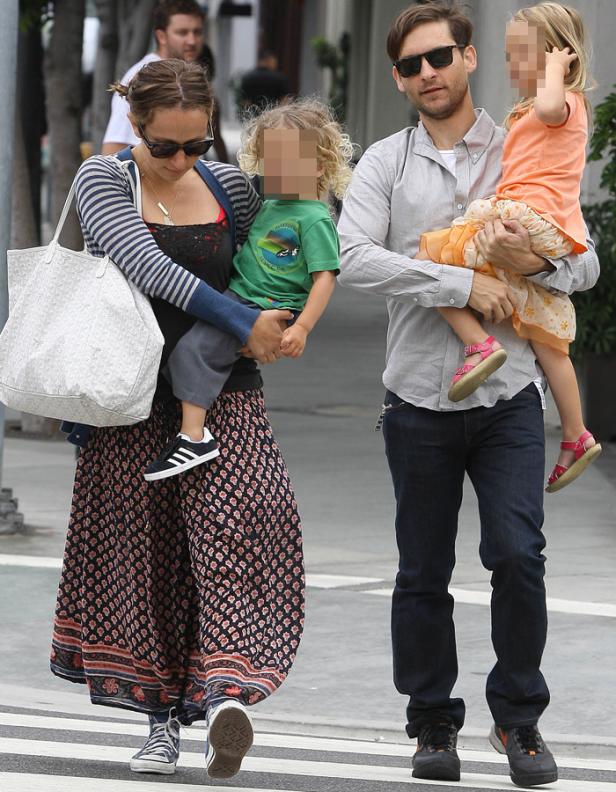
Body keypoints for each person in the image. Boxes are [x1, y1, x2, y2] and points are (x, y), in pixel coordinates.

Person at [337, 1, 599, 787]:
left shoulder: (527, 136)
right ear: (398, 78)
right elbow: (352, 257)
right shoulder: (385, 161)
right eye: (412, 66)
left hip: (510, 398)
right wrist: (456, 281)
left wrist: (535, 263)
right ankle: (431, 725)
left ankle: (520, 722)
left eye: (440, 57)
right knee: (422, 570)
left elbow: (582, 265)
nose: (428, 74)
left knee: (519, 557)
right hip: (417, 398)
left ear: (470, 57)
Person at [51, 58, 304, 781]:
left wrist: (292, 313)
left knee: (247, 530)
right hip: (131, 400)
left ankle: (227, 694)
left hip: (228, 394)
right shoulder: (105, 180)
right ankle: (162, 722)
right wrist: (244, 318)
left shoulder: (228, 186)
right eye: (166, 146)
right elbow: (143, 265)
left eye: (197, 144)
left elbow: (269, 259)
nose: (183, 160)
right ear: (136, 125)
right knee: (151, 565)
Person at [418, 2, 601, 493]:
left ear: (556, 56)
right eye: (508, 53)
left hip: (526, 215)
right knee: (548, 337)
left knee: (428, 258)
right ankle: (575, 434)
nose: (511, 64)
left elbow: (548, 106)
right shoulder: (531, 114)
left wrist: (558, 71)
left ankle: (478, 344)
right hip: (545, 225)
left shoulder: (565, 102)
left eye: (521, 54)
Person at [143, 97, 352, 481]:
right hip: (239, 299)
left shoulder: (315, 217)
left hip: (264, 304)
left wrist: (302, 327)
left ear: (318, 166)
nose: (277, 169)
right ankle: (193, 420)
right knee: (189, 352)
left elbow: (325, 276)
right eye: (270, 159)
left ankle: (193, 436)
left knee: (194, 350)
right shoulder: (268, 206)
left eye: (290, 161)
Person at [101, 0, 206, 156]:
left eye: (197, 32)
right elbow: (114, 149)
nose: (192, 41)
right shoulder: (144, 77)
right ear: (161, 36)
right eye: (182, 32)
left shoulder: (185, 75)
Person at [239, 48, 291, 114]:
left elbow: (245, 103)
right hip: (273, 118)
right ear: (269, 60)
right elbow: (284, 102)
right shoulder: (280, 78)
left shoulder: (248, 77)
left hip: (254, 118)